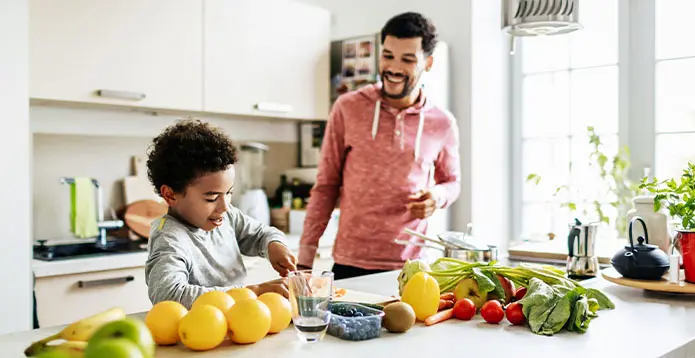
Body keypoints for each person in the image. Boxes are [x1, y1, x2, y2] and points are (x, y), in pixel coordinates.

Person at [298, 12, 461, 280]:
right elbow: (325, 186)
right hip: (349, 264)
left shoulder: (442, 123)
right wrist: (304, 261)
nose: (393, 68)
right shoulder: (348, 108)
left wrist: (436, 197)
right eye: (387, 56)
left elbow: (452, 182)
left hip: (411, 267)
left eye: (407, 59)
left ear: (428, 63)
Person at [144, 119, 297, 309]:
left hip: (236, 326)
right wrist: (254, 292)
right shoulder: (169, 239)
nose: (225, 206)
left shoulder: (227, 216)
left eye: (229, 193)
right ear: (170, 195)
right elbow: (169, 296)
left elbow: (260, 234)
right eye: (211, 198)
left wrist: (274, 245)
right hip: (197, 334)